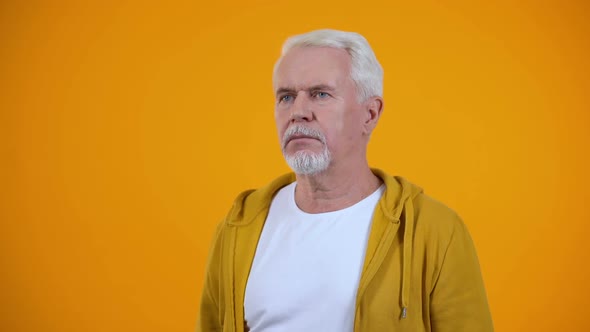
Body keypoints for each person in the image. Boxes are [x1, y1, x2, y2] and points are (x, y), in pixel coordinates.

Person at [197, 29, 493, 332]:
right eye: (286, 97)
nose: (298, 112)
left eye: (320, 94)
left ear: (370, 113)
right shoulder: (239, 227)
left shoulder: (434, 230)